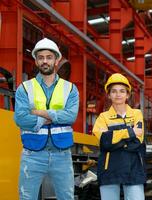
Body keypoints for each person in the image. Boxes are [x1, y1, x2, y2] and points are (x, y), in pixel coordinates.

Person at [14, 38, 79, 200]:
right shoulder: (24, 88)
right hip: (32, 154)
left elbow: (70, 116)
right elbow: (20, 119)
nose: (45, 61)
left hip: (62, 154)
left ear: (56, 60)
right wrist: (54, 117)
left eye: (49, 57)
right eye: (41, 57)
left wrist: (40, 113)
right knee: (26, 197)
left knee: (66, 197)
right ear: (36, 61)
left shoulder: (70, 88)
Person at [92, 73, 146, 200]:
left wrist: (113, 140)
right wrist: (130, 133)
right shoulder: (103, 117)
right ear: (109, 95)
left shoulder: (136, 114)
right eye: (114, 91)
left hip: (134, 167)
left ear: (127, 95)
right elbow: (104, 142)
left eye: (122, 91)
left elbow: (137, 142)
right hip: (109, 169)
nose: (118, 94)